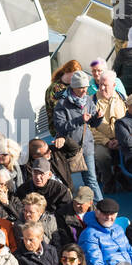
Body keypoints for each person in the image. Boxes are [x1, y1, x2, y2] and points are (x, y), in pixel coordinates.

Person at [51, 70, 105, 201]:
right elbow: (60, 127)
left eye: (86, 87)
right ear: (73, 87)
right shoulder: (62, 105)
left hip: (85, 146)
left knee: (91, 180)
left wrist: (98, 117)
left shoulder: (88, 100)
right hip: (68, 149)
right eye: (81, 87)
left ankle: (100, 208)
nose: (85, 90)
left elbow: (93, 123)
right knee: (67, 182)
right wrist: (80, 119)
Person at [79, 198, 132, 265]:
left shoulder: (118, 229)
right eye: (105, 214)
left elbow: (131, 252)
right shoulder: (89, 235)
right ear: (97, 213)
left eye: (112, 214)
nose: (109, 217)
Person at [90, 69, 127, 186]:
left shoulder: (123, 99)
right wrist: (106, 142)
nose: (101, 88)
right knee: (102, 156)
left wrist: (121, 138)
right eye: (100, 85)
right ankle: (108, 180)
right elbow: (89, 128)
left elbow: (129, 121)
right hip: (101, 141)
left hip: (120, 138)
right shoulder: (92, 101)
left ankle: (123, 175)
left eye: (105, 85)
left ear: (114, 85)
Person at [16, 156, 75, 225]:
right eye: (35, 173)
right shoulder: (24, 188)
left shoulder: (60, 190)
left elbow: (66, 211)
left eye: (41, 173)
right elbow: (18, 207)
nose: (38, 177)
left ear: (49, 175)